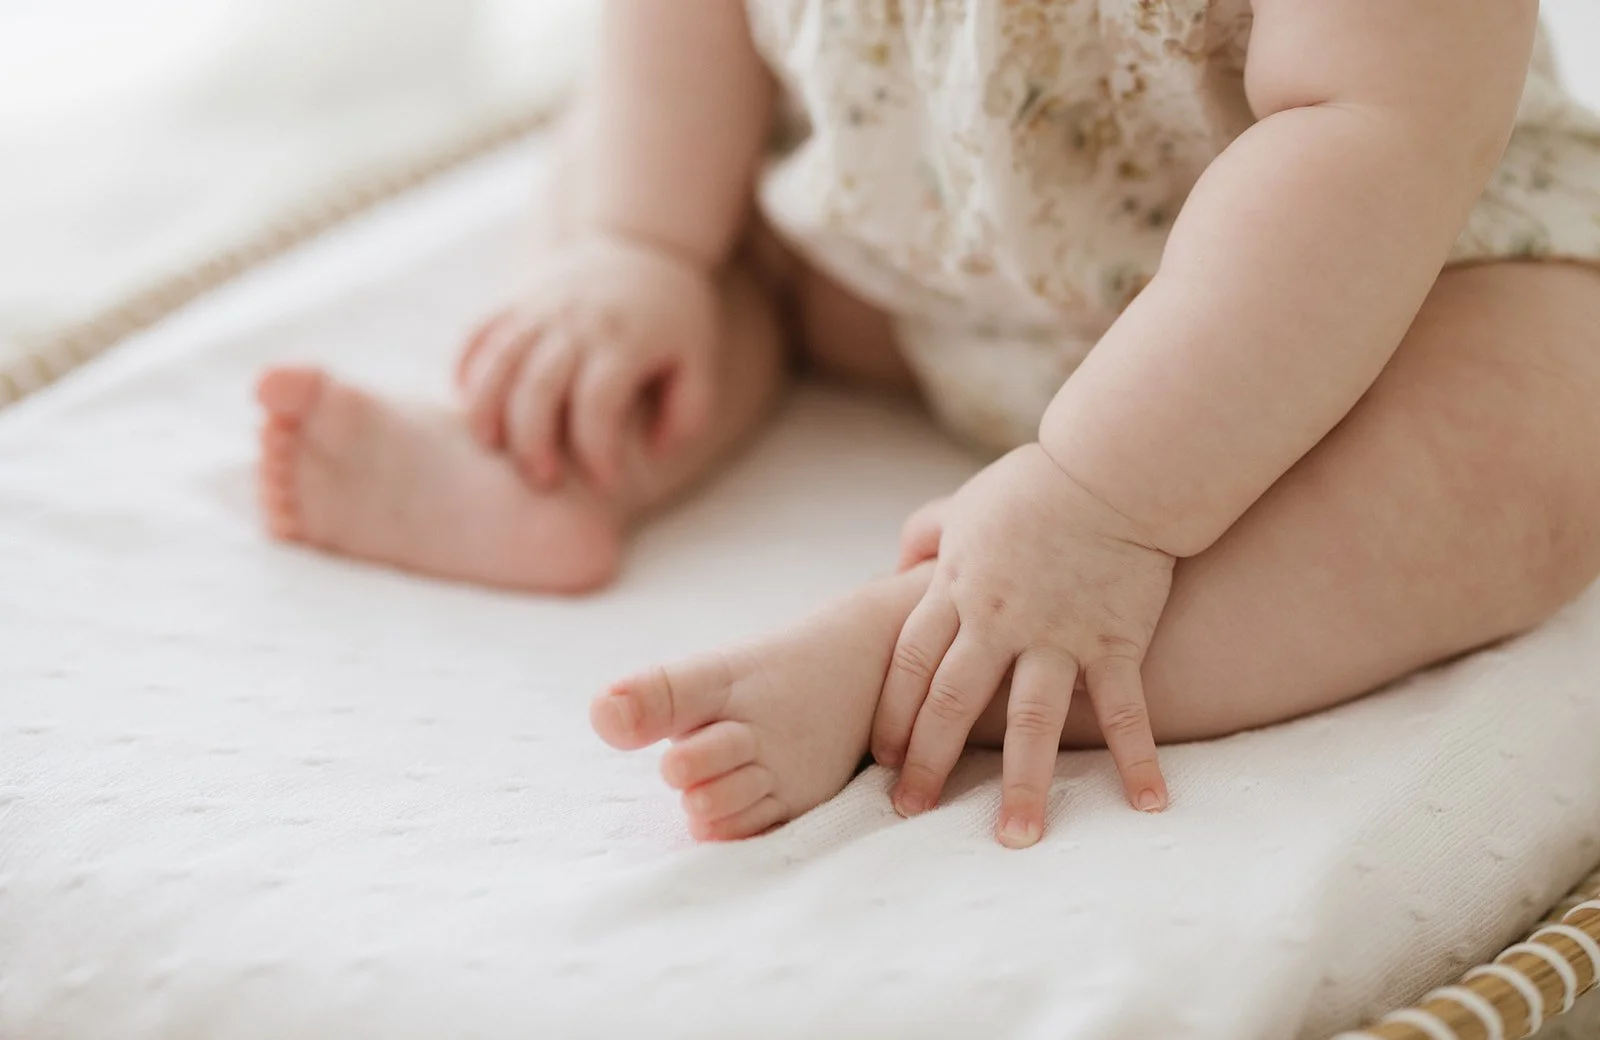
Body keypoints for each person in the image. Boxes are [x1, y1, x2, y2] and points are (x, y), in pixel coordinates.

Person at [255, 0, 1600, 847]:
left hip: (1334, 319)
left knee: (1537, 433)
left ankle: (916, 647)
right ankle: (566, 438)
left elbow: (1364, 137)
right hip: (908, 248)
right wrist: (640, 242)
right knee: (639, 185)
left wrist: (1104, 499)